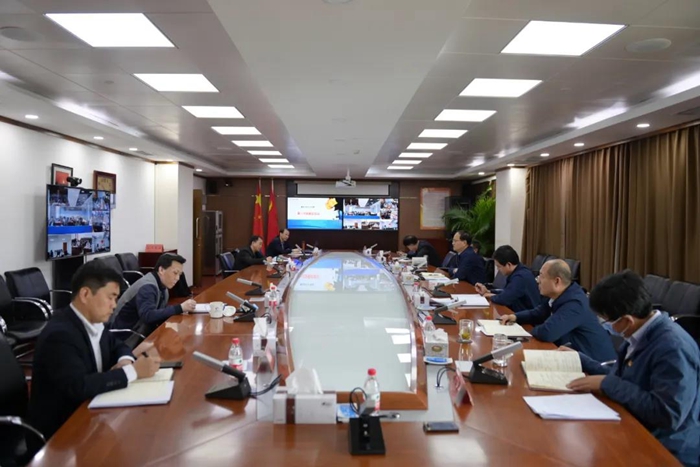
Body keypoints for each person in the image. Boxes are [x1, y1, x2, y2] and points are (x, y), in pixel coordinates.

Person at [566, 270, 700, 467]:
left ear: (627, 320)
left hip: (666, 450)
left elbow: (667, 414)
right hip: (635, 428)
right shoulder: (640, 333)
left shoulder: (672, 348)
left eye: (606, 320)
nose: (605, 326)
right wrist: (580, 359)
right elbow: (624, 379)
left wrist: (606, 383)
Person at [28, 261, 161, 440]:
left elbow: (117, 345)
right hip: (61, 434)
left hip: (92, 415)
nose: (114, 305)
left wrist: (125, 360)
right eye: (110, 297)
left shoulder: (93, 322)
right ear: (85, 294)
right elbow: (79, 386)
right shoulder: (60, 334)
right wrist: (133, 372)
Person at [500, 259, 616, 362]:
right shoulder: (560, 295)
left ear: (557, 281)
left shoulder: (575, 303)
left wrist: (524, 333)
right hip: (573, 357)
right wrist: (515, 317)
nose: (537, 280)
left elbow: (547, 333)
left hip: (595, 366)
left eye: (541, 276)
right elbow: (538, 313)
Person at [111, 253, 196, 334]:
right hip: (125, 336)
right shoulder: (147, 287)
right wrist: (180, 308)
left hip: (141, 330)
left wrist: (181, 310)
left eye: (180, 274)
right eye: (175, 273)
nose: (177, 278)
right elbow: (148, 315)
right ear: (161, 270)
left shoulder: (162, 287)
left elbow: (159, 311)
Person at [475, 245, 540, 312]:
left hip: (527, 316)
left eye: (499, 266)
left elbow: (505, 299)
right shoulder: (520, 271)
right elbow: (508, 291)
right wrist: (488, 291)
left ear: (509, 264)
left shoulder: (520, 277)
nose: (498, 269)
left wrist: (488, 295)